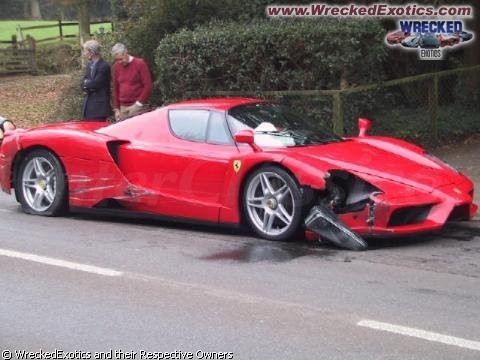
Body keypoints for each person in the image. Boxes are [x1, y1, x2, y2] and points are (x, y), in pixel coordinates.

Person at [111, 43, 153, 121]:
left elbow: (148, 85)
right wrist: (116, 109)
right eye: (117, 60)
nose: (119, 62)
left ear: (126, 53)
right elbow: (115, 88)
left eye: (120, 59)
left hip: (136, 105)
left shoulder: (140, 64)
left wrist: (139, 103)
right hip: (123, 107)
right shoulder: (116, 67)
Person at [80, 39, 112, 121]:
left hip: (99, 109)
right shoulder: (89, 66)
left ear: (91, 52)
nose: (84, 54)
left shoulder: (104, 66)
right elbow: (82, 83)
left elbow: (96, 84)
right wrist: (87, 84)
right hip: (88, 107)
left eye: (85, 51)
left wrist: (88, 84)